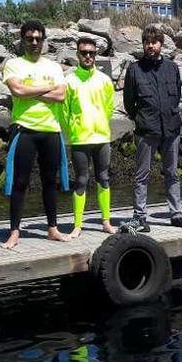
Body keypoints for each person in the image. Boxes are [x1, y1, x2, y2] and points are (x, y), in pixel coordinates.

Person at [1, 20, 69, 248]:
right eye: (29, 38)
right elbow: (17, 90)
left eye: (38, 39)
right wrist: (44, 90)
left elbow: (61, 96)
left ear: (43, 41)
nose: (34, 42)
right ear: (22, 40)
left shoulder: (54, 67)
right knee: (20, 181)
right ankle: (14, 231)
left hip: (50, 130)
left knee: (50, 181)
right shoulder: (14, 64)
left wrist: (30, 93)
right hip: (24, 129)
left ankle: (52, 228)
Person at [122, 24, 182, 231]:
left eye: (154, 42)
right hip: (147, 129)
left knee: (172, 172)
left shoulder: (172, 68)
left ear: (161, 44)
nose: (150, 46)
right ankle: (140, 217)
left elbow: (177, 97)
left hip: (171, 129)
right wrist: (141, 119)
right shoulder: (134, 70)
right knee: (141, 174)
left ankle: (176, 214)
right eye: (146, 42)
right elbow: (129, 103)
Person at [60, 37, 115, 238]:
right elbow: (63, 112)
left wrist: (101, 123)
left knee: (104, 178)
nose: (88, 56)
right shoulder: (69, 81)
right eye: (84, 53)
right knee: (81, 180)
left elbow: (109, 107)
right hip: (80, 138)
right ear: (77, 54)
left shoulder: (104, 80)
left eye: (92, 53)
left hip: (101, 137)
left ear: (96, 55)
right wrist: (72, 131)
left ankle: (106, 222)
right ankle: (77, 225)